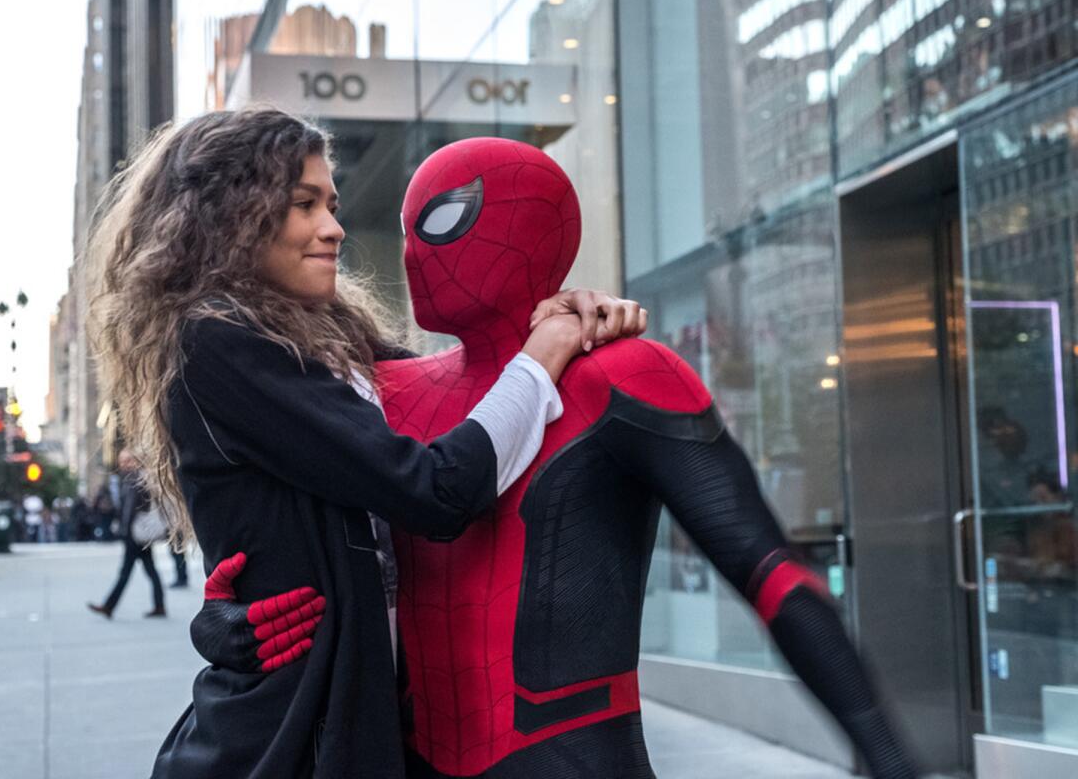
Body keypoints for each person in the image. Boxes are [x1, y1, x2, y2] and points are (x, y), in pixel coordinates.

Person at [196, 138, 917, 778]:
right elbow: (267, 506)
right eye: (410, 226)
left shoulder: (620, 375)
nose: (414, 249)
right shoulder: (376, 388)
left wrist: (886, 751)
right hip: (400, 754)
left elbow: (767, 571)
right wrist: (229, 619)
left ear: (534, 226)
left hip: (570, 752)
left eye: (442, 219)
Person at [84, 108, 642, 778]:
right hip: (286, 742)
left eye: (334, 204)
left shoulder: (328, 335)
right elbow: (435, 487)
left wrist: (560, 321)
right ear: (233, 216)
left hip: (373, 720)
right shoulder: (221, 343)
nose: (334, 228)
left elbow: (465, 406)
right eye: (304, 205)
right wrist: (542, 353)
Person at [86, 449, 166, 619]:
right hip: (138, 533)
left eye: (128, 460)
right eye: (122, 461)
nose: (124, 464)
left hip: (134, 533)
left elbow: (129, 508)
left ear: (136, 461)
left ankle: (109, 606)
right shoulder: (135, 479)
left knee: (126, 572)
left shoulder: (134, 479)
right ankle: (159, 605)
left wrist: (124, 530)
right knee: (150, 570)